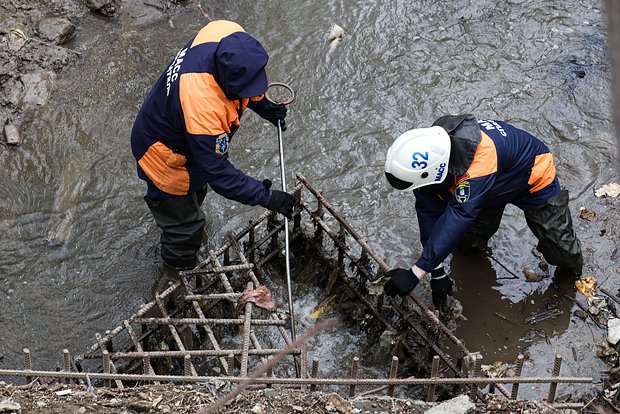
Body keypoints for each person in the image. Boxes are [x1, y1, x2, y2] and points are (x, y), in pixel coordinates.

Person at [131, 20, 293, 270]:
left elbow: (241, 75)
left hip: (173, 126)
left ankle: (181, 220)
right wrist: (266, 196)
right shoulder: (202, 107)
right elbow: (219, 174)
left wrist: (261, 104)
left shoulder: (225, 31)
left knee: (195, 195)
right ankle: (177, 270)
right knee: (184, 231)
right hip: (165, 158)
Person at [382, 114, 583, 308]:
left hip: (533, 179)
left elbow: (459, 215)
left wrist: (417, 271)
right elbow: (428, 214)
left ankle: (575, 282)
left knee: (562, 250)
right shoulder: (431, 161)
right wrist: (437, 271)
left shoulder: (479, 162)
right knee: (467, 244)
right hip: (489, 191)